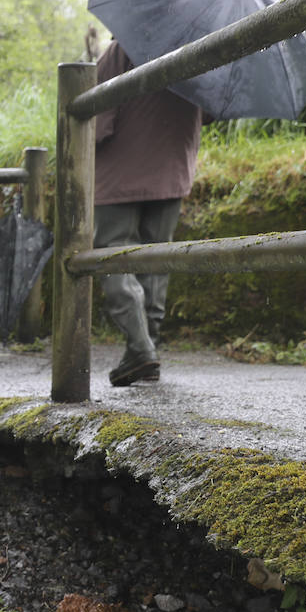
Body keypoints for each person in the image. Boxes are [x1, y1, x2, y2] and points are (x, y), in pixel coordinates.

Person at [93, 39, 205, 387]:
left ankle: (141, 347)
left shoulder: (125, 44)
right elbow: (211, 107)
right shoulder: (203, 43)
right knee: (157, 258)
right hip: (172, 162)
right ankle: (147, 346)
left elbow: (97, 114)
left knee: (114, 253)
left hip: (121, 167)